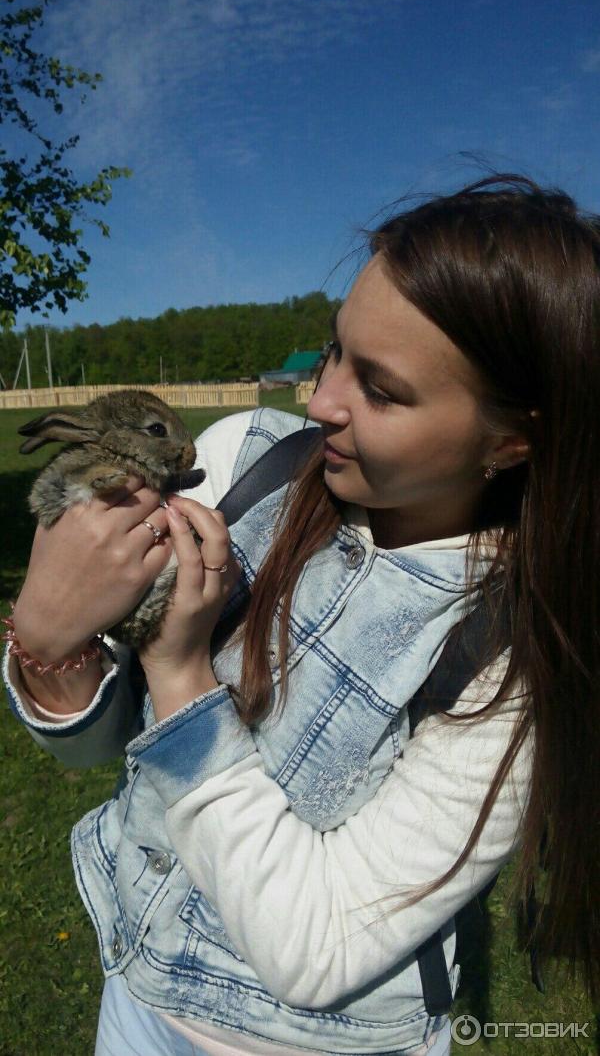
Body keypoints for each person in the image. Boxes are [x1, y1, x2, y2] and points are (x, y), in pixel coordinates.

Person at [4, 172, 600, 1056]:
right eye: (334, 352)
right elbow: (94, 749)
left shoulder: (513, 659)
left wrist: (177, 673)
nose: (318, 402)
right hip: (132, 989)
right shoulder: (242, 460)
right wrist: (51, 645)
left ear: (513, 438)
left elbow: (314, 950)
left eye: (383, 390)